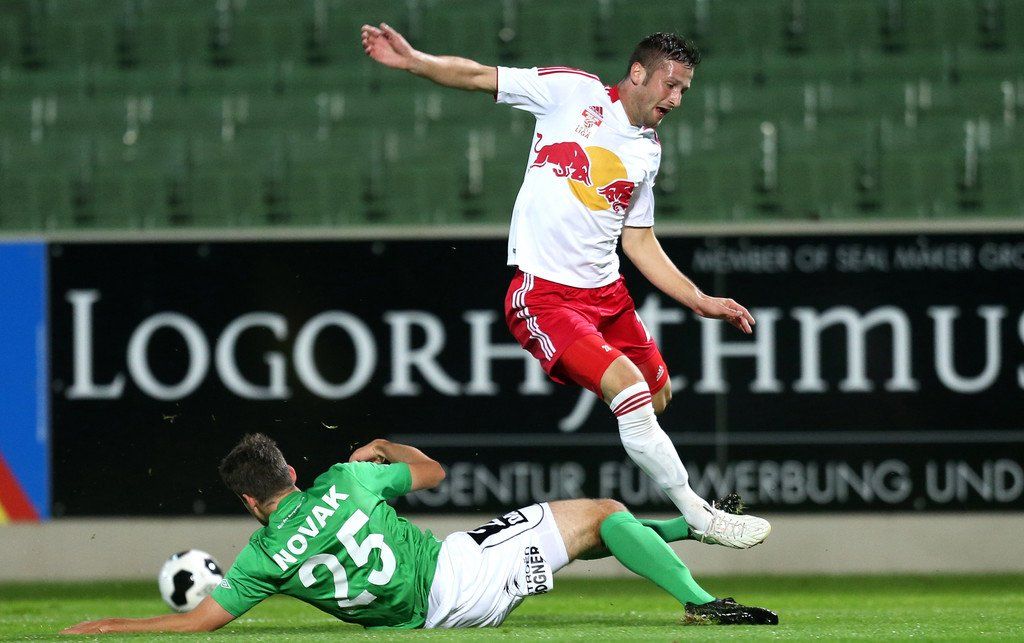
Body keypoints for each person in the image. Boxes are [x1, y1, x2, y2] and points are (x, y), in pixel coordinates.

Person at [360, 24, 769, 548]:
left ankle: (628, 409)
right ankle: (699, 515)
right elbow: (481, 76)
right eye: (670, 84)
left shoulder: (648, 150)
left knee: (657, 397)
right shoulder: (572, 92)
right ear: (638, 73)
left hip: (608, 295)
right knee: (629, 388)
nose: (676, 98)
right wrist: (416, 60)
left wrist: (700, 300)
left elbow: (638, 240)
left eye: (684, 90)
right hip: (545, 296)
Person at [62, 433, 777, 634]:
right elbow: (434, 472)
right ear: (292, 471)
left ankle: (695, 525)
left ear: (251, 500)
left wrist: (106, 627)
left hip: (429, 615)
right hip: (458, 573)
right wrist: (383, 445)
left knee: (586, 536)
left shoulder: (262, 557)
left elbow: (198, 624)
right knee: (605, 513)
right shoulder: (348, 480)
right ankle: (700, 598)